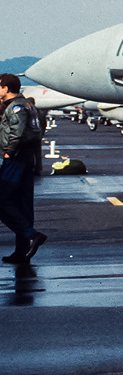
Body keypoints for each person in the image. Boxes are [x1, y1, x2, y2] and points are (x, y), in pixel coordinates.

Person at [0, 74, 45, 264]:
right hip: (27, 157)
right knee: (23, 203)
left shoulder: (15, 107)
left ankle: (30, 235)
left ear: (6, 88)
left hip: (16, 157)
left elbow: (16, 132)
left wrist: (9, 152)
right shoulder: (28, 104)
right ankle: (21, 251)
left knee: (2, 200)